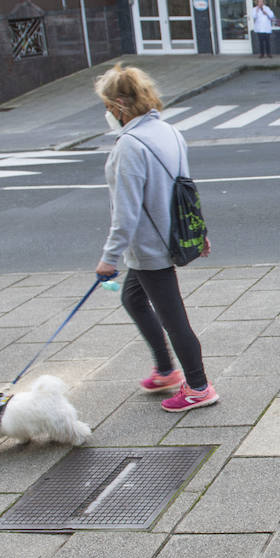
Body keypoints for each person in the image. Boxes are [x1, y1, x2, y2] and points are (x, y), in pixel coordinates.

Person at [95, 64, 218, 413]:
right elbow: (186, 191)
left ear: (120, 104)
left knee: (173, 318)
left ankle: (198, 386)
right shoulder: (169, 132)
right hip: (171, 236)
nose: (107, 113)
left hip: (151, 247)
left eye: (107, 105)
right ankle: (165, 370)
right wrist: (198, 231)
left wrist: (109, 258)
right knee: (134, 299)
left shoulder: (129, 146)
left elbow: (126, 212)